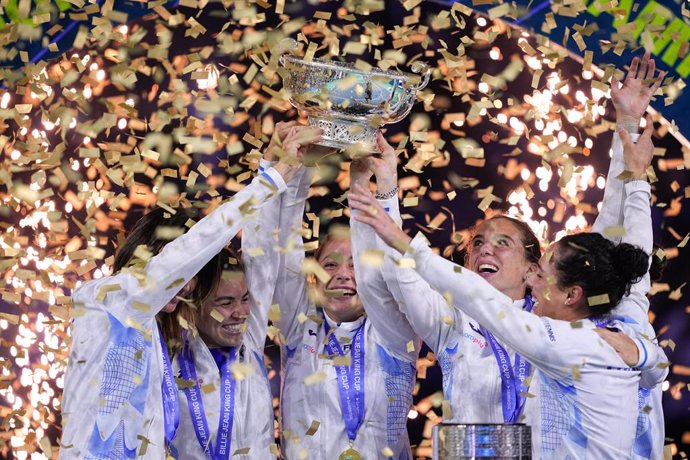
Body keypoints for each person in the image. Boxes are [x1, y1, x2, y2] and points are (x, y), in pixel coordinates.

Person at [349, 101, 660, 456]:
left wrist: (644, 353)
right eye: (477, 243)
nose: (485, 251)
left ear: (532, 267)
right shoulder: (453, 319)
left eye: (503, 243)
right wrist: (387, 189)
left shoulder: (557, 328)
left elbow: (618, 249)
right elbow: (405, 278)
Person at [60, 135, 305, 459]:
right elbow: (196, 245)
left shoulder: (156, 337)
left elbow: (261, 261)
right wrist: (270, 180)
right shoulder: (110, 298)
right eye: (183, 271)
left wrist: (276, 165)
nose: (187, 286)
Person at [243, 123, 419, 458]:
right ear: (314, 275)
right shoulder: (300, 328)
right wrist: (295, 169)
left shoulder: (395, 333)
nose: (342, 276)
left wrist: (380, 184)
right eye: (331, 264)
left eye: (355, 265)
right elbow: (280, 246)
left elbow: (391, 266)